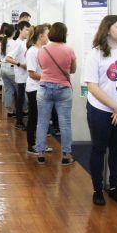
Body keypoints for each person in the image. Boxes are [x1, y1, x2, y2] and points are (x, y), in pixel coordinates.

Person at [84, 15, 117, 206]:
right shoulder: (95, 54)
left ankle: (114, 186)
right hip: (100, 109)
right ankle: (98, 189)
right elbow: (92, 86)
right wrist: (115, 107)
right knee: (98, 149)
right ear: (108, 29)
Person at [34, 22, 76, 166]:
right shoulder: (69, 50)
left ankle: (40, 153)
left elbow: (42, 67)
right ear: (64, 33)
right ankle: (66, 155)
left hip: (44, 88)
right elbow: (73, 70)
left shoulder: (42, 50)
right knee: (65, 123)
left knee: (42, 122)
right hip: (63, 89)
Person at [25, 24, 52, 156]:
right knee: (34, 117)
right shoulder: (32, 51)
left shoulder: (44, 50)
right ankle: (31, 145)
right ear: (41, 36)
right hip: (34, 89)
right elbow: (32, 73)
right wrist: (49, 77)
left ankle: (40, 144)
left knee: (42, 118)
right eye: (47, 34)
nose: (49, 37)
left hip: (42, 87)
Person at [5, 21, 31, 130]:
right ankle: (19, 122)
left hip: (28, 76)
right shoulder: (17, 43)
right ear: (20, 30)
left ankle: (24, 121)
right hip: (21, 76)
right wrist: (20, 64)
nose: (28, 32)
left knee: (25, 99)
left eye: (29, 30)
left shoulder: (26, 42)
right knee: (20, 99)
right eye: (26, 30)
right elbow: (8, 58)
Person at [0, 24, 17, 117]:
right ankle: (25, 109)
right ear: (14, 32)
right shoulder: (15, 43)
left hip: (3, 68)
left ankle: (9, 111)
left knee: (8, 89)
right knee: (19, 90)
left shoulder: (1, 43)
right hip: (12, 68)